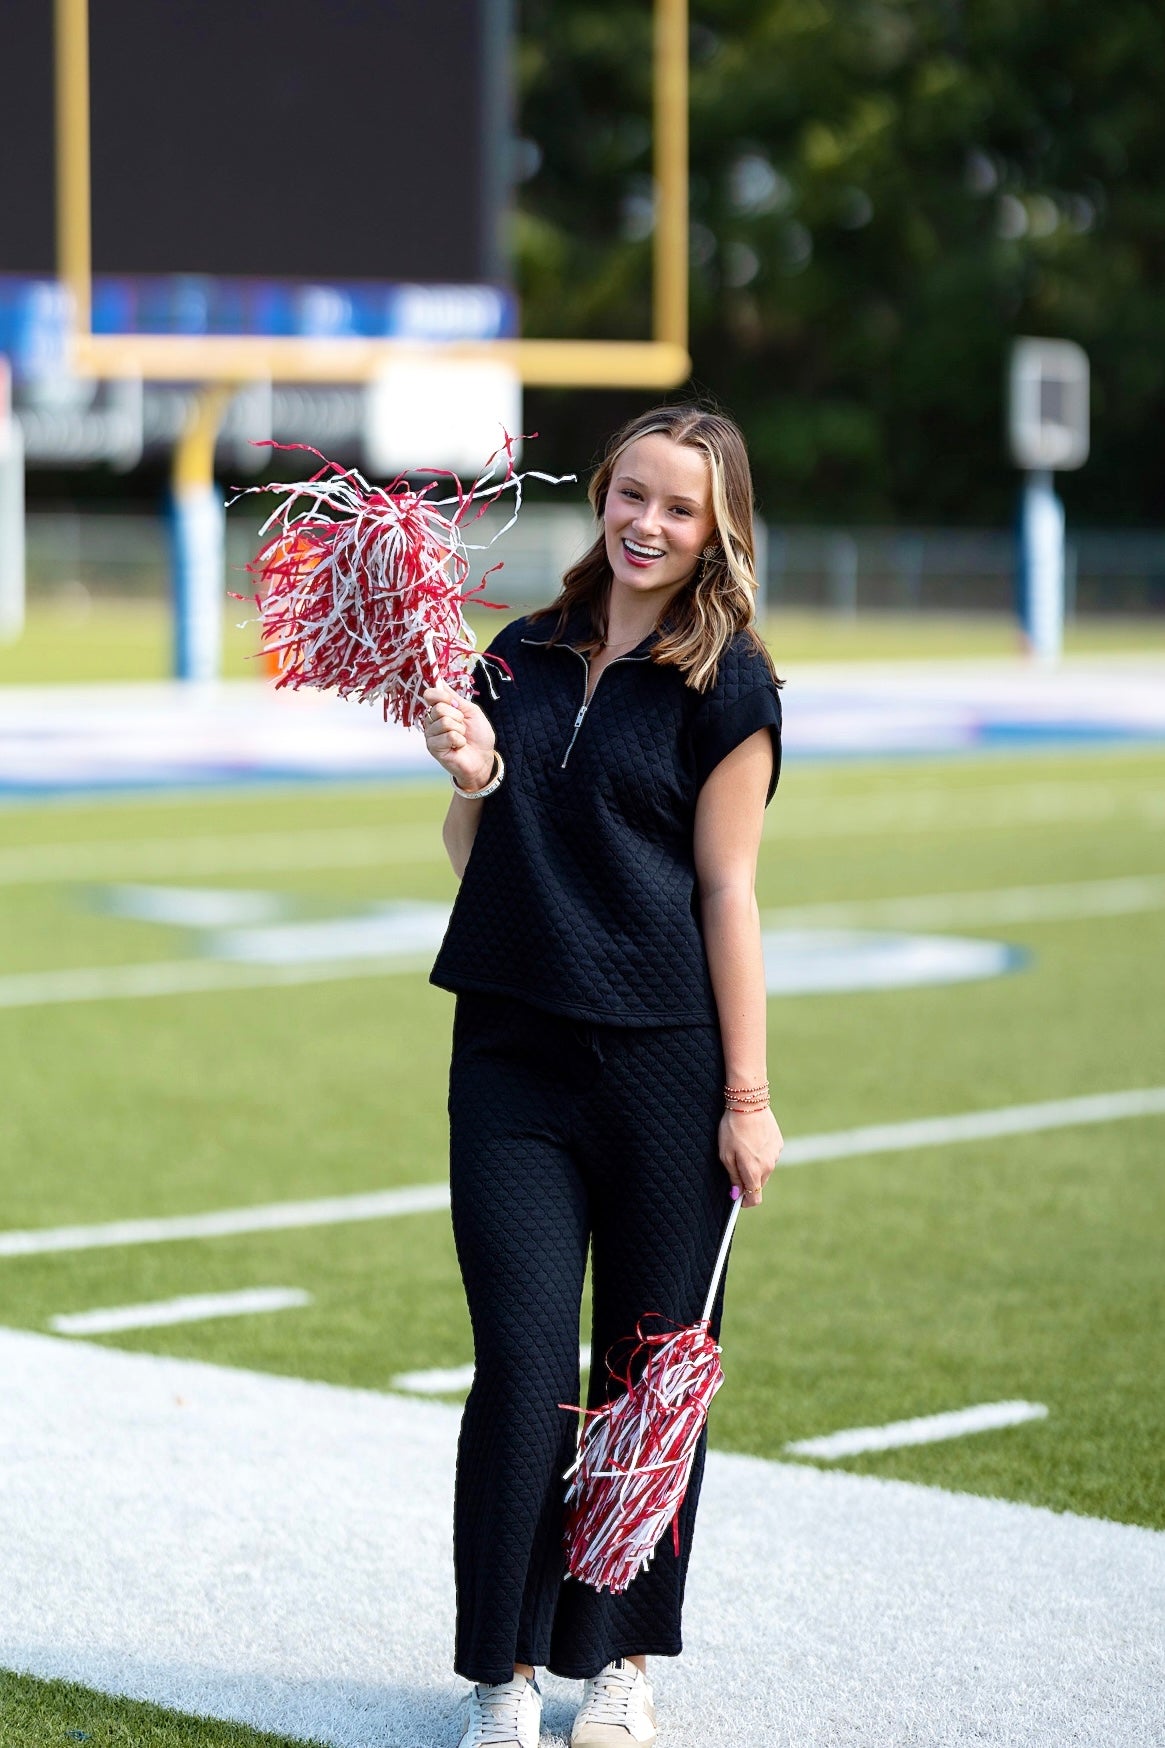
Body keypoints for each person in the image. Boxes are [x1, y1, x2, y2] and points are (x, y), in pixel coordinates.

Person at [422, 404, 784, 1748]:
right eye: (631, 494)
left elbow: (728, 890)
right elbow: (481, 857)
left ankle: (619, 1654)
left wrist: (744, 1100)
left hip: (664, 1075)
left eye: (677, 509)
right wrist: (469, 773)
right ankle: (501, 1673)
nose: (645, 524)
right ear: (603, 496)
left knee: (648, 1377)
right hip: (512, 1060)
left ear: (715, 529)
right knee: (521, 1369)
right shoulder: (521, 653)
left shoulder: (731, 684)